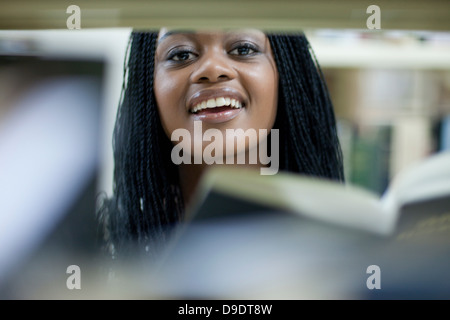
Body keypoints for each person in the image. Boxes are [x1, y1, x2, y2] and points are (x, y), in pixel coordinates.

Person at [97, 28, 345, 261]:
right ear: (148, 84)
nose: (213, 69)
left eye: (243, 49)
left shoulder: (339, 243)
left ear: (285, 70)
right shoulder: (100, 251)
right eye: (181, 54)